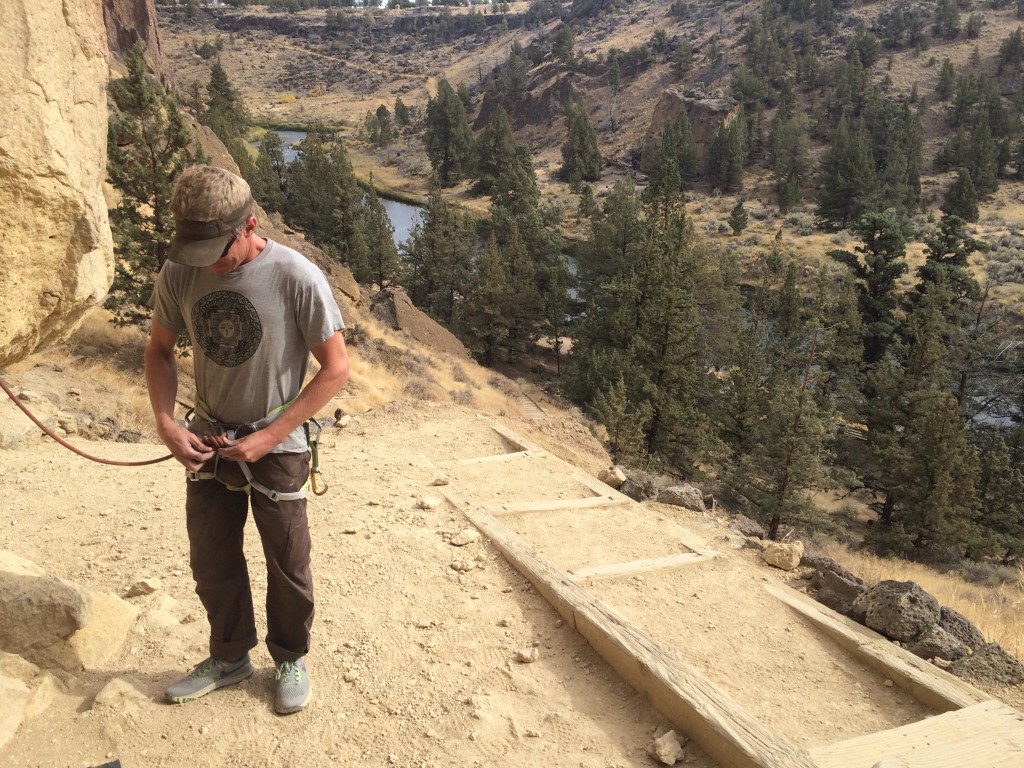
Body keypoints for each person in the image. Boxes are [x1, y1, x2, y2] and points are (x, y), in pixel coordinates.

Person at [144, 164, 349, 715]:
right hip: (208, 439)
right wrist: (166, 422)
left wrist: (272, 435)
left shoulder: (296, 276)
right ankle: (230, 656)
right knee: (212, 557)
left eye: (216, 252)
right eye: (194, 252)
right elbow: (159, 350)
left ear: (249, 226)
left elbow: (335, 369)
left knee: (288, 561)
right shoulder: (181, 270)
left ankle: (290, 657)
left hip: (277, 445)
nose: (206, 265)